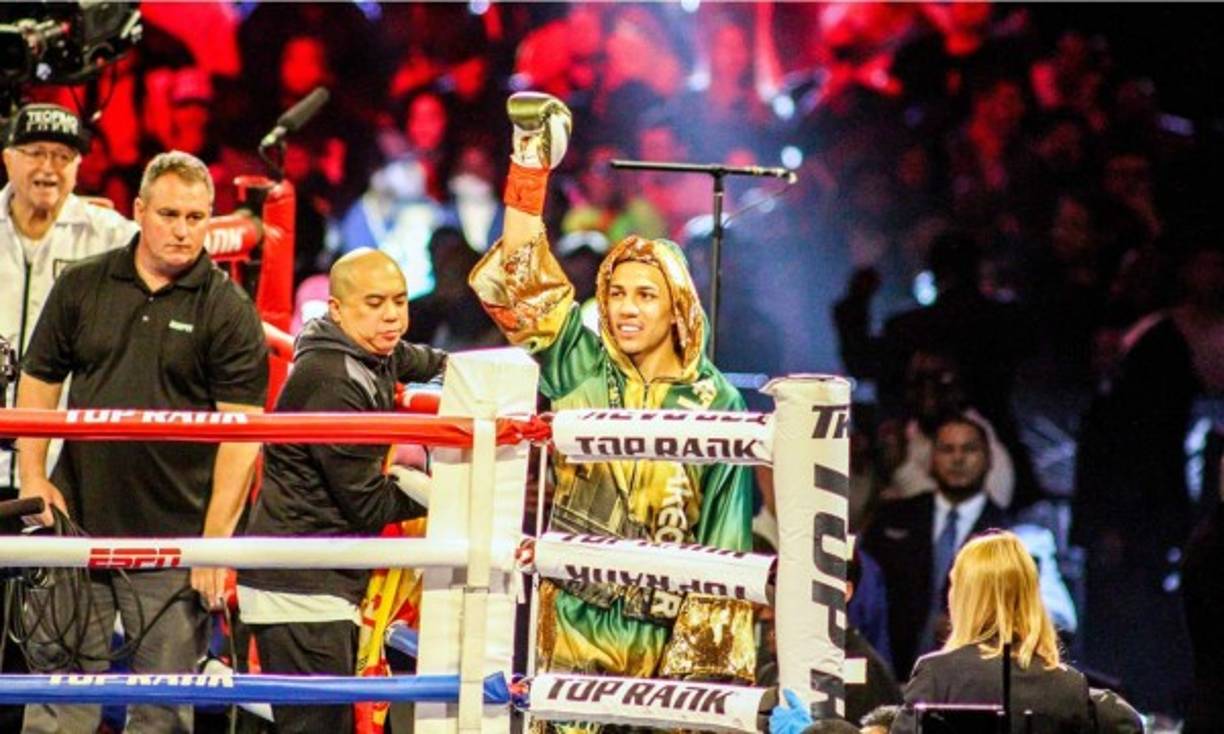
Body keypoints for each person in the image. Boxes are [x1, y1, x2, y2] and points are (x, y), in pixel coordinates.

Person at [469, 93, 756, 710]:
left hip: (671, 629)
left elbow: (727, 539)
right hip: (575, 618)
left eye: (645, 296)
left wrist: (703, 682)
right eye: (617, 293)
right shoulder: (581, 362)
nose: (626, 309)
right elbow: (521, 275)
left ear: (677, 307)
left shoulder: (717, 400)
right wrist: (530, 165)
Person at [16, 150, 268, 733]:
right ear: (139, 212)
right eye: (170, 214)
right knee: (59, 702)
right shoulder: (83, 284)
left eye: (197, 217)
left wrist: (212, 543)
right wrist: (34, 477)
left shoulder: (227, 310)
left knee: (161, 712)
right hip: (77, 524)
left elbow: (243, 433)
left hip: (175, 542)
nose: (183, 230)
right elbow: (40, 380)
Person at [238, 248, 445, 733]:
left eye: (399, 300)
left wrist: (499, 378)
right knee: (317, 727)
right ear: (337, 309)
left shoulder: (370, 351)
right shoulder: (332, 378)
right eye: (374, 303)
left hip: (317, 577)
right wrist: (433, 490)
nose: (392, 315)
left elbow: (433, 360)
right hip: (299, 584)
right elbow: (368, 503)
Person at [1, 103, 138, 491]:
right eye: (36, 153)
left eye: (63, 156)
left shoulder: (109, 236)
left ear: (78, 167)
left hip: (63, 464)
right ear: (8, 159)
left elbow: (176, 257)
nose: (49, 167)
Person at [890, 531, 1095, 734]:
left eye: (955, 585)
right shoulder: (1071, 686)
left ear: (966, 597)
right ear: (1031, 596)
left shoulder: (936, 675)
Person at [863, 414, 1010, 679]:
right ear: (932, 458)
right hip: (888, 673)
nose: (957, 459)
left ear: (988, 459)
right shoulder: (892, 519)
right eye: (947, 449)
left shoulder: (1010, 534)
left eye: (969, 449)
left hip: (973, 682)